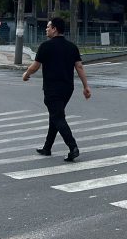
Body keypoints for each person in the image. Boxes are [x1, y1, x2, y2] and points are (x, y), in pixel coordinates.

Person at [22, 17, 91, 162]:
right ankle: (47, 147)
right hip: (67, 88)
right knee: (55, 115)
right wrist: (86, 86)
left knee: (58, 117)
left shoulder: (45, 46)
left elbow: (35, 66)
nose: (46, 29)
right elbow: (79, 67)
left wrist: (26, 74)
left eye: (48, 27)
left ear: (54, 29)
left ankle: (73, 147)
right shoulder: (72, 47)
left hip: (52, 89)